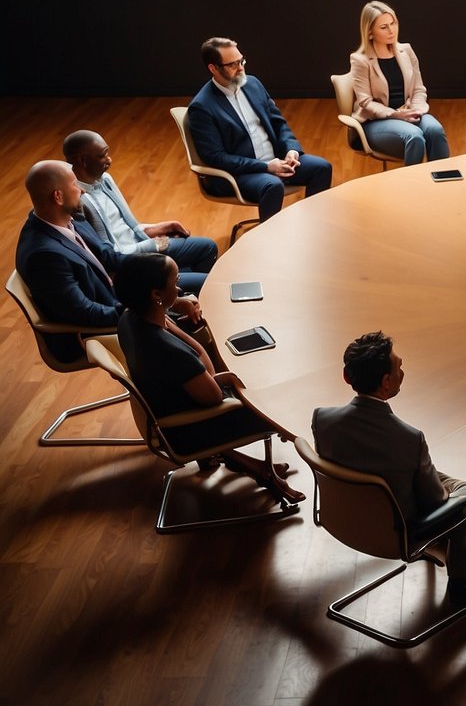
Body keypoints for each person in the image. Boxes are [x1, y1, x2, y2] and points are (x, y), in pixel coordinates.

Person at [311, 332, 466, 598]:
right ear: (386, 382)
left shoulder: (322, 419)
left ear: (347, 377)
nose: (403, 372)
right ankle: (464, 582)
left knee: (442, 478)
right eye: (399, 367)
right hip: (400, 530)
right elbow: (436, 501)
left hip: (344, 520)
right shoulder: (408, 439)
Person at [114, 254, 304, 503]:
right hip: (188, 429)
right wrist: (232, 381)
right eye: (175, 281)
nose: (180, 288)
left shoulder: (131, 318)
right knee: (275, 393)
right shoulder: (167, 349)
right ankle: (262, 471)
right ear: (156, 294)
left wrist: (169, 315)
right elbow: (212, 392)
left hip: (167, 408)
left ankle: (249, 464)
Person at [16, 160, 201, 363]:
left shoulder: (68, 218)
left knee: (201, 292)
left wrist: (161, 281)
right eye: (75, 185)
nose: (83, 191)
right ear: (58, 196)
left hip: (120, 299)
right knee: (200, 334)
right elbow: (83, 312)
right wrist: (157, 307)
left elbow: (109, 258)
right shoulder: (43, 256)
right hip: (94, 332)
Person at [187, 37, 332, 222]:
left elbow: (279, 123)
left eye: (241, 61)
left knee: (321, 168)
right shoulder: (202, 107)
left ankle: (313, 227)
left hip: (276, 161)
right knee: (272, 186)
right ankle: (269, 244)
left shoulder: (253, 83)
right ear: (213, 68)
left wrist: (291, 150)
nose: (241, 68)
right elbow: (216, 158)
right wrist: (266, 167)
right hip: (241, 173)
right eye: (232, 65)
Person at [64, 130, 218, 295]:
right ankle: (177, 297)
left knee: (207, 248)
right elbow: (110, 256)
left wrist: (157, 228)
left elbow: (128, 225)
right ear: (83, 160)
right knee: (207, 281)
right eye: (103, 155)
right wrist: (155, 244)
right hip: (130, 263)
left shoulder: (106, 179)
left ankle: (185, 298)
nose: (109, 159)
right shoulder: (78, 202)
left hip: (142, 244)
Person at [349, 0, 449, 164]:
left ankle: (443, 185)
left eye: (393, 23)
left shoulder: (406, 50)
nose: (391, 30)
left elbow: (418, 89)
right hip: (377, 121)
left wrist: (415, 110)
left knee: (435, 130)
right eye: (384, 27)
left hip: (410, 112)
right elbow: (365, 102)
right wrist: (396, 114)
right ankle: (410, 188)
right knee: (414, 136)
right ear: (370, 32)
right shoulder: (360, 60)